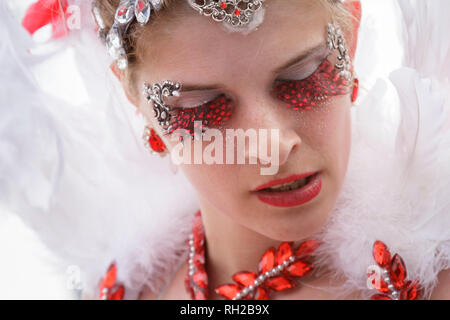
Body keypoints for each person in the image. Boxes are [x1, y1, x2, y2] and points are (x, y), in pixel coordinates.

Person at [2, 0, 449, 300]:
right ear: (137, 103)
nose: (270, 147)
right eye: (203, 107)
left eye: (302, 78)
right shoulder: (127, 283)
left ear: (349, 44)